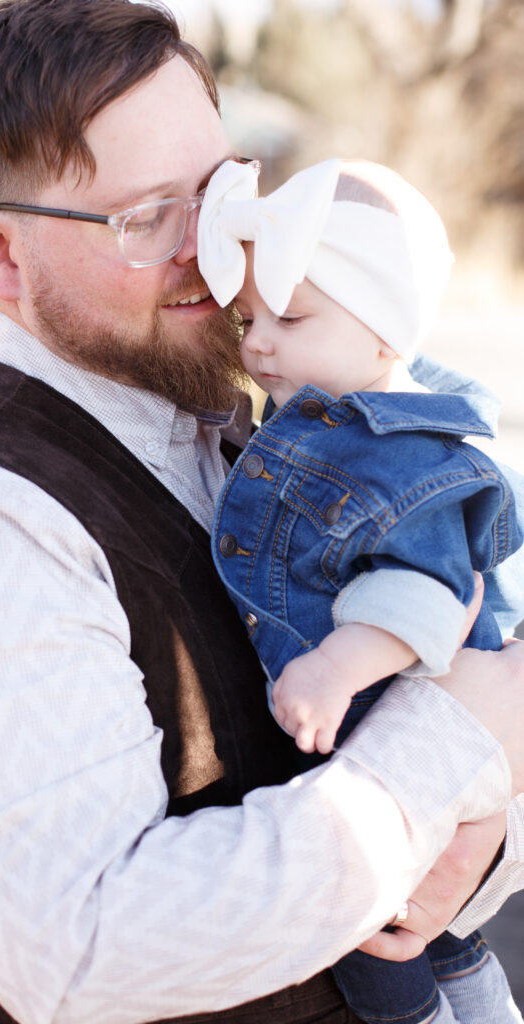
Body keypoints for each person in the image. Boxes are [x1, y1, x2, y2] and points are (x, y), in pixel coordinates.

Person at [0, 3, 524, 1023]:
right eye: (144, 217)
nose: (211, 247)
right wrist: (457, 739)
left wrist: (474, 829)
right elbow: (81, 954)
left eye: (219, 194)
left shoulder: (244, 412)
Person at [199, 158, 524, 1023]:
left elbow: (429, 594)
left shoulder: (408, 457)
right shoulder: (318, 423)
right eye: (246, 318)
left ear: (385, 334)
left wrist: (338, 666)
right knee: (441, 937)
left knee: (377, 953)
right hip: (390, 751)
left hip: (402, 743)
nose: (257, 342)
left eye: (291, 317)